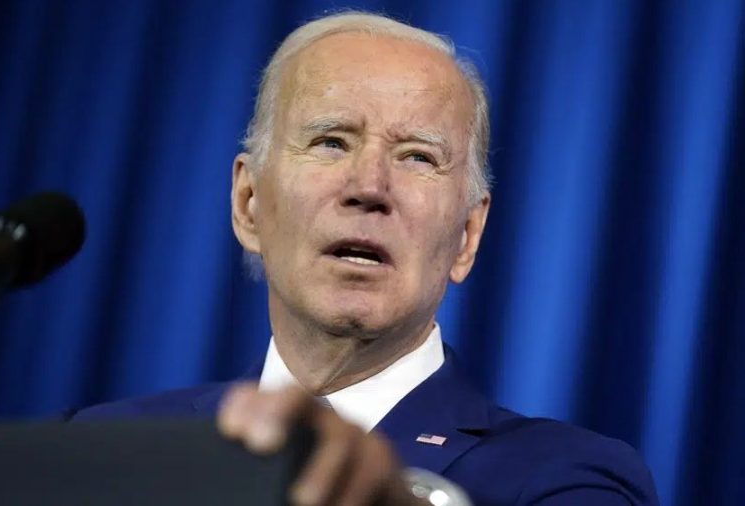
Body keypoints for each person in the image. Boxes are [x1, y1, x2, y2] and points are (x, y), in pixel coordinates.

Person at [73, 12, 659, 506]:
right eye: (331, 141)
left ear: (466, 236)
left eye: (417, 158)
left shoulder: (568, 478)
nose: (370, 186)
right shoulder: (106, 447)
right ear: (249, 203)